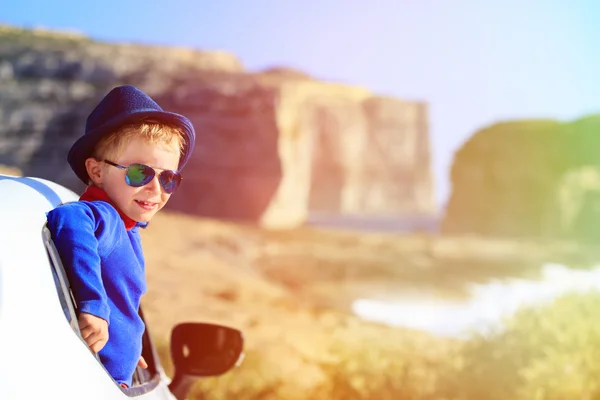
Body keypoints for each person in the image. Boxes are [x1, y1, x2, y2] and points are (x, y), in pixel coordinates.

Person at [46, 85, 196, 388]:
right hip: (103, 382)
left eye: (168, 178)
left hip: (119, 374)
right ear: (97, 172)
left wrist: (128, 349)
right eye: (140, 173)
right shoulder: (107, 218)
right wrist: (94, 306)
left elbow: (122, 300)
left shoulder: (128, 229)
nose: (156, 189)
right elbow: (71, 219)